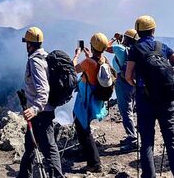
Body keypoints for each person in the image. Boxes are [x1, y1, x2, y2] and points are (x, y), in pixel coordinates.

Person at [125, 15, 174, 178]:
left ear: (138, 32)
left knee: (147, 141)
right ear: (153, 30)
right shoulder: (163, 47)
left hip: (145, 101)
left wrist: (138, 87)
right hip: (167, 99)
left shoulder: (135, 49)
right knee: (171, 139)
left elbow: (128, 76)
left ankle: (149, 176)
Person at [17, 27, 64, 178]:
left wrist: (35, 108)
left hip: (41, 113)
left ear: (29, 44)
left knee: (49, 147)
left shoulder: (35, 61)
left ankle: (57, 176)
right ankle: (24, 175)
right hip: (43, 110)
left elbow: (43, 89)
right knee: (30, 145)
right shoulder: (46, 56)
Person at [72, 33, 110, 173]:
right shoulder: (103, 60)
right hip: (94, 98)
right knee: (83, 126)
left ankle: (94, 163)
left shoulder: (88, 63)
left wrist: (76, 55)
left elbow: (72, 70)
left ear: (93, 47)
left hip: (85, 100)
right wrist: (88, 56)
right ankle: (87, 156)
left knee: (83, 129)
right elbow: (94, 69)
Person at [106, 29, 139, 151]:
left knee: (126, 110)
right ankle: (134, 136)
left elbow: (105, 47)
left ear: (127, 38)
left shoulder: (120, 49)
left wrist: (114, 39)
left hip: (123, 80)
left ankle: (132, 139)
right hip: (134, 82)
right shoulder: (136, 50)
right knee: (133, 108)